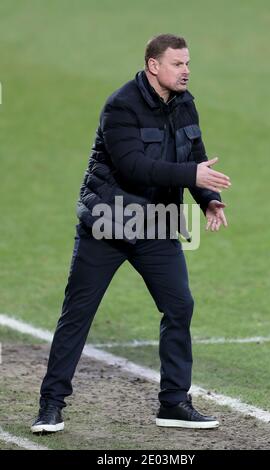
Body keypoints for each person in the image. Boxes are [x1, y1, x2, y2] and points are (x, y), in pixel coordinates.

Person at [31, 33, 231, 434]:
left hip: (157, 225)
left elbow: (193, 155)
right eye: (178, 64)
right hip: (108, 223)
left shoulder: (185, 104)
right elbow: (132, 166)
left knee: (179, 306)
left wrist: (207, 196)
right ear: (154, 66)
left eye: (188, 63)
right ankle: (51, 405)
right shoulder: (120, 105)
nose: (187, 70)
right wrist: (191, 174)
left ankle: (174, 403)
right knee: (78, 315)